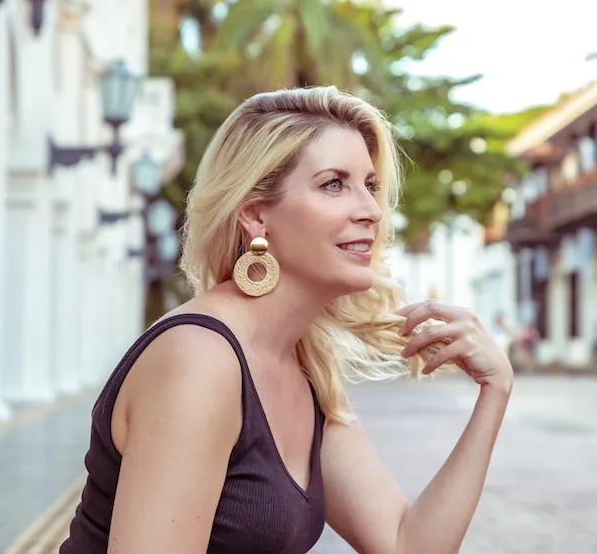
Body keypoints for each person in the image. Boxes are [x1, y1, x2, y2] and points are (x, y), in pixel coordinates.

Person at [59, 86, 513, 554]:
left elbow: (406, 545)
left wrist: (494, 389)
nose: (371, 211)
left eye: (370, 185)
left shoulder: (302, 365)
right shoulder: (200, 359)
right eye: (334, 184)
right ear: (256, 216)